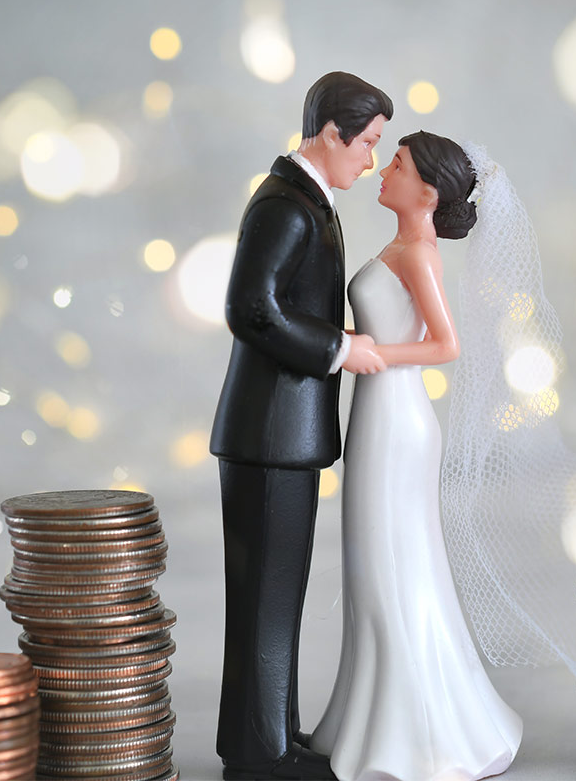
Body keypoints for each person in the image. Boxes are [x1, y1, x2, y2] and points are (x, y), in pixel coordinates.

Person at [309, 131, 527, 781]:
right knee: (377, 567)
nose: (382, 168)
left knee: (394, 566)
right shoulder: (402, 247)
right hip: (378, 412)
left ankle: (418, 734)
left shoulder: (420, 254)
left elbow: (445, 344)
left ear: (427, 193)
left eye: (396, 164)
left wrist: (370, 354)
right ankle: (370, 718)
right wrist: (358, 342)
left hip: (397, 418)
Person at [209, 71, 393, 781]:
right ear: (330, 134)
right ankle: (262, 754)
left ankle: (268, 736)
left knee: (274, 597)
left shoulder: (305, 199)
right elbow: (250, 308)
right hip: (270, 434)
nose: (371, 159)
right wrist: (339, 348)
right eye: (368, 142)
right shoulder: (286, 205)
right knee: (266, 597)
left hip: (281, 432)